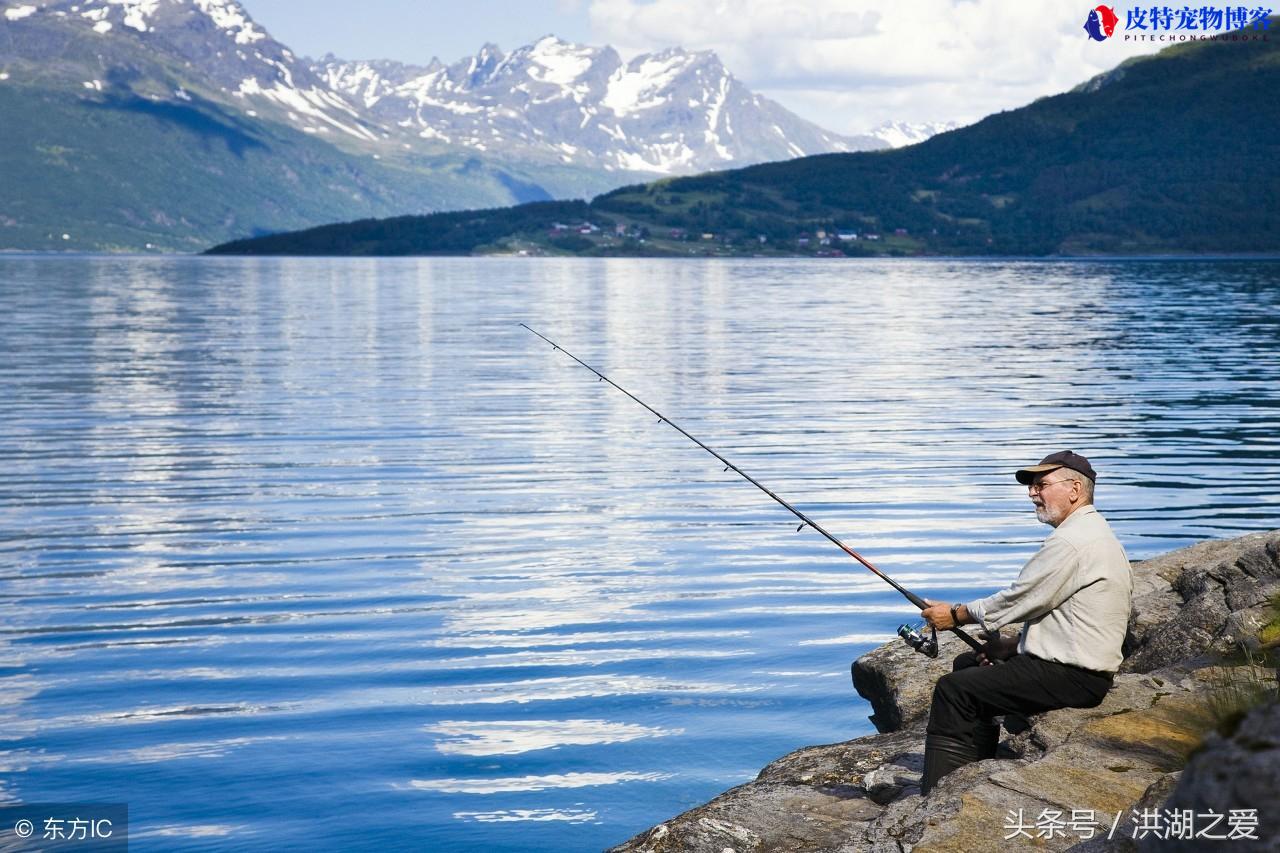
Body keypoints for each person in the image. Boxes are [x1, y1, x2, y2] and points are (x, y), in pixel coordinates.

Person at [917, 450, 1133, 795]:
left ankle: (940, 796)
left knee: (953, 690)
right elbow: (1060, 611)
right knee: (966, 664)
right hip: (1071, 667)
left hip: (1075, 677)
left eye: (1041, 485)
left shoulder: (1073, 541)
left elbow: (1021, 597)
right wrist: (1013, 645)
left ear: (1074, 489)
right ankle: (970, 774)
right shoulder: (1093, 532)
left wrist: (955, 615)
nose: (1032, 493)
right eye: (1032, 486)